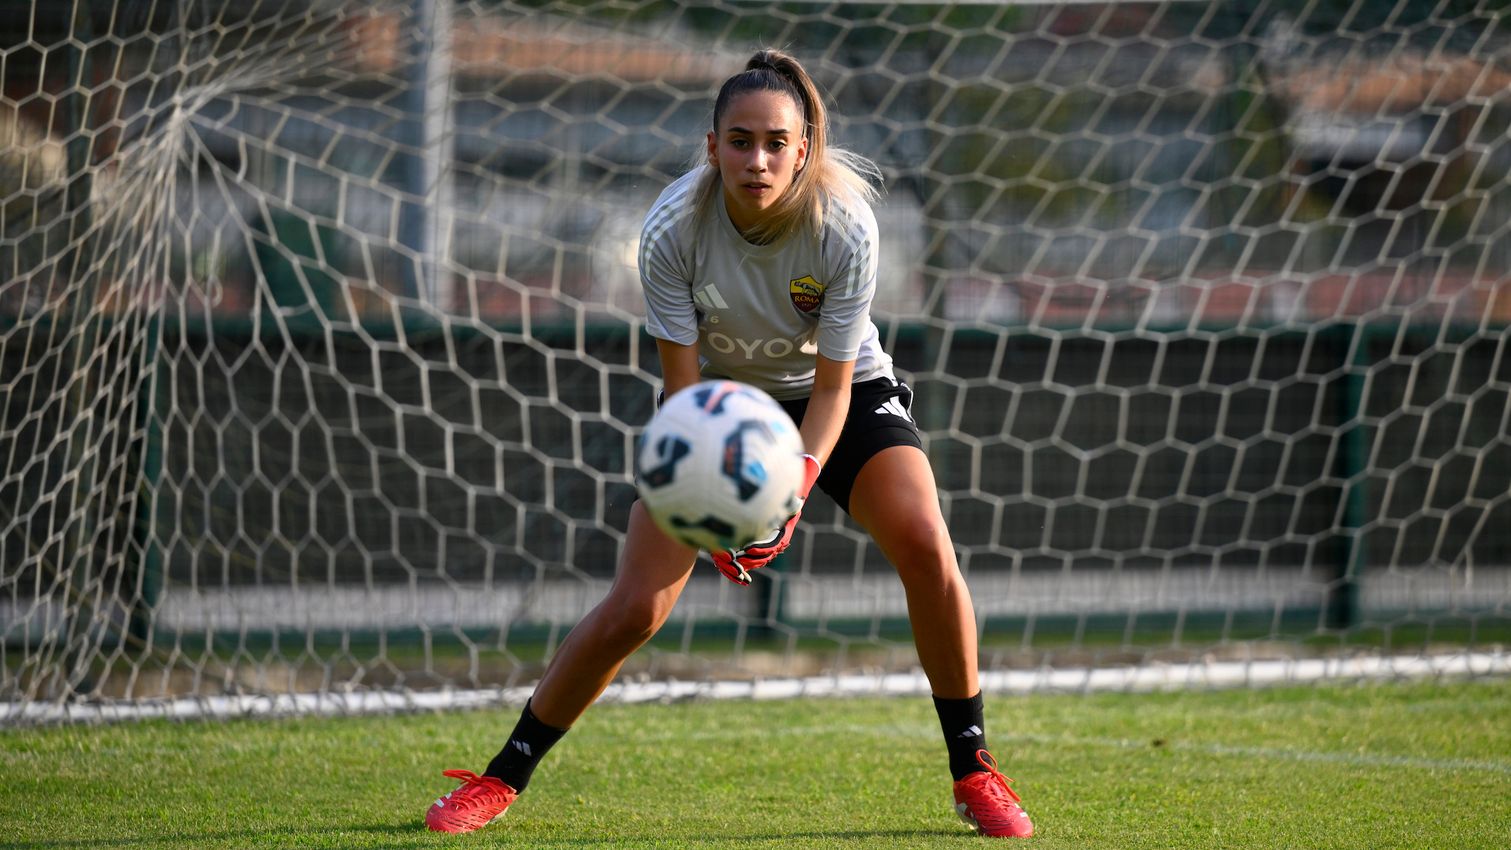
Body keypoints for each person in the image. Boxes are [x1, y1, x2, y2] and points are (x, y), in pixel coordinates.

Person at [424, 48, 1034, 839]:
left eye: (776, 142)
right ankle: (500, 778)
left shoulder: (844, 224)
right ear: (711, 147)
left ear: (803, 149)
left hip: (834, 399)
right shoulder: (672, 228)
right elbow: (682, 391)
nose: (758, 158)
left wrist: (789, 494)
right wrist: (712, 497)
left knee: (925, 542)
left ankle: (973, 770)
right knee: (634, 610)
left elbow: (832, 388)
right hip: (716, 407)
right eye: (739, 141)